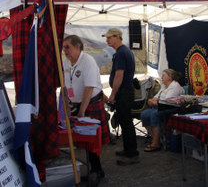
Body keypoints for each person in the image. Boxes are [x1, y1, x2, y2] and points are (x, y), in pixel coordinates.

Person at [62, 35, 110, 185]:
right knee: (81, 139)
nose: (64, 50)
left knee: (91, 140)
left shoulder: (87, 61)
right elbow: (66, 86)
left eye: (67, 47)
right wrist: (67, 106)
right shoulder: (65, 62)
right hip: (76, 104)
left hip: (90, 104)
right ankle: (94, 169)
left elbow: (89, 88)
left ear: (77, 47)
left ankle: (96, 171)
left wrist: (82, 111)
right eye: (63, 47)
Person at [102, 28, 139, 166]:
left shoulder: (121, 53)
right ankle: (128, 149)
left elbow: (119, 75)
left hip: (124, 92)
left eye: (109, 37)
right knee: (125, 122)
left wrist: (112, 94)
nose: (107, 40)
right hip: (125, 91)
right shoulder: (124, 51)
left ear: (117, 37)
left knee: (126, 122)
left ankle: (132, 154)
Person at [140, 69, 185, 152]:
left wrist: (155, 102)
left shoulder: (174, 86)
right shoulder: (164, 86)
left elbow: (168, 101)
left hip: (171, 108)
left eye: (164, 75)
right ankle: (156, 137)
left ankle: (155, 143)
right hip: (161, 107)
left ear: (170, 77)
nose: (162, 77)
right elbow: (156, 97)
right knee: (144, 114)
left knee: (154, 114)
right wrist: (153, 101)